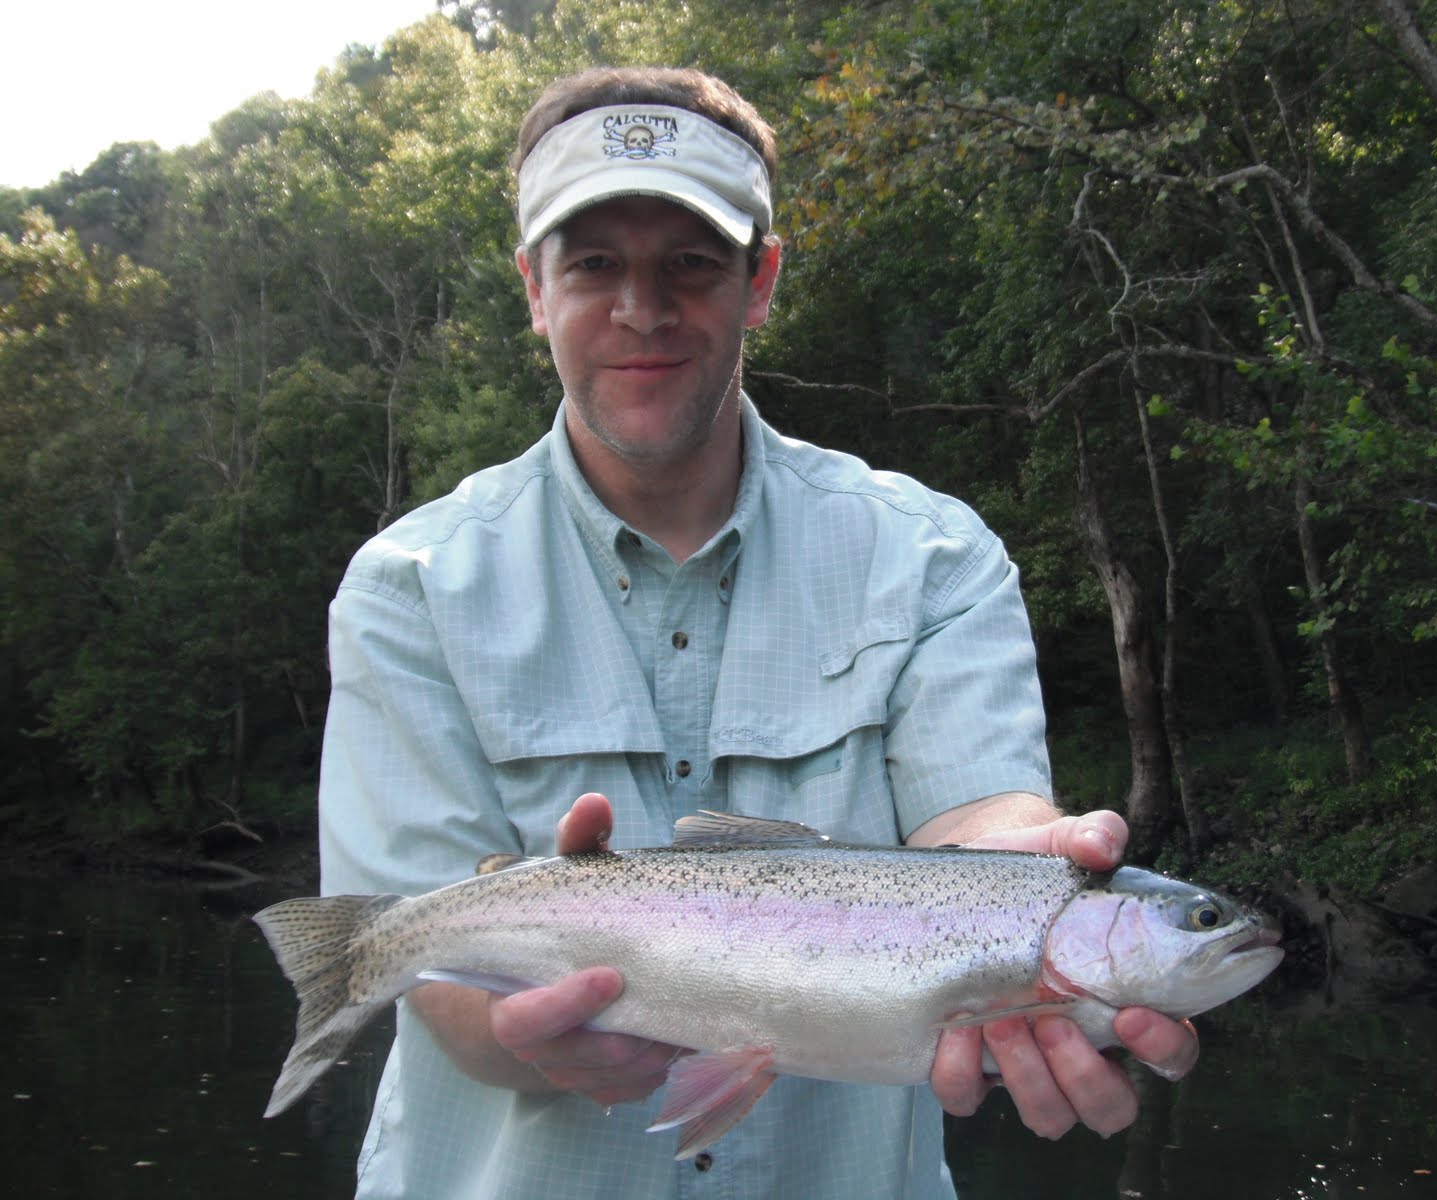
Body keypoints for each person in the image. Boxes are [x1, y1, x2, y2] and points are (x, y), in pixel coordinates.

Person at [317, 65, 1198, 1199]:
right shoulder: (408, 587)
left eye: (691, 261)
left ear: (760, 280)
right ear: (534, 287)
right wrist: (514, 1034)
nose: (642, 307)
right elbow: (416, 961)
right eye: (594, 264)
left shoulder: (934, 557)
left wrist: (1027, 870)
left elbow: (982, 819)